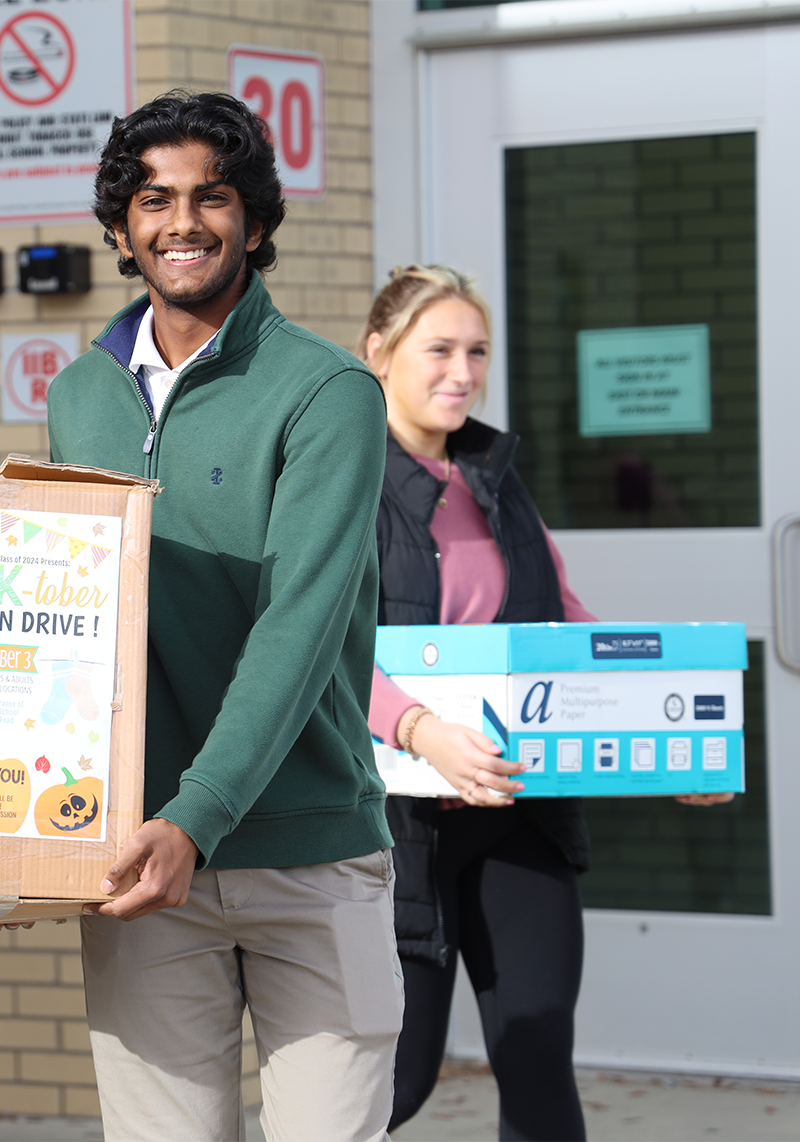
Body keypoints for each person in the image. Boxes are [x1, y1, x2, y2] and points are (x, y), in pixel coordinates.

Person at [46, 91, 402, 1141]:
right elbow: (64, 614)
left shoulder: (326, 388)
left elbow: (297, 628)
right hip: (139, 857)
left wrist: (196, 816)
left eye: (211, 194)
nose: (182, 221)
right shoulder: (80, 395)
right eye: (152, 199)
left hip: (310, 852)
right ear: (120, 226)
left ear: (253, 215)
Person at [363, 264, 733, 1142]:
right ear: (378, 353)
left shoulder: (494, 476)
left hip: (519, 813)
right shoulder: (342, 483)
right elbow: (324, 653)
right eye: (440, 349)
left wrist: (668, 734)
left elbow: (562, 619)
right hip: (395, 833)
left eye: (477, 351)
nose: (462, 371)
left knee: (535, 1062)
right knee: (393, 1083)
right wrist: (423, 735)